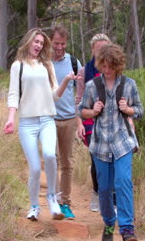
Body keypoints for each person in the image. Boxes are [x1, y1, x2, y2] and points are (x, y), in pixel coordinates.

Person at [4, 28, 80, 221]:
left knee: (49, 155)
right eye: (35, 41)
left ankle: (52, 198)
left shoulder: (47, 66)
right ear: (28, 42)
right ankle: (34, 207)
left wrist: (65, 81)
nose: (38, 45)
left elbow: (55, 94)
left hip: (47, 119)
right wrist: (11, 118)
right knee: (36, 168)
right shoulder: (17, 66)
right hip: (27, 123)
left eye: (40, 42)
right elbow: (13, 94)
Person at [78, 44, 143, 241]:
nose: (107, 70)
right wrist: (93, 111)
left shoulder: (129, 84)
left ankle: (126, 229)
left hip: (123, 143)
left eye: (111, 66)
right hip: (100, 145)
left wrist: (128, 109)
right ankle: (108, 223)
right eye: (104, 66)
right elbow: (82, 110)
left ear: (118, 65)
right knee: (104, 188)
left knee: (123, 182)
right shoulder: (92, 86)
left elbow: (140, 110)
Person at [50, 25, 83, 220]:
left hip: (69, 119)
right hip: (49, 119)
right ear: (50, 42)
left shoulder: (73, 62)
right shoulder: (44, 62)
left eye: (62, 44)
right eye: (56, 43)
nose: (59, 47)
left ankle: (66, 203)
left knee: (67, 163)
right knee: (51, 159)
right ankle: (54, 200)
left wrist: (79, 118)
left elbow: (81, 90)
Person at [76, 33, 111, 212]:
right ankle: (97, 193)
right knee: (96, 159)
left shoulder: (114, 69)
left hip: (111, 122)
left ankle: (110, 197)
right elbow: (79, 101)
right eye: (98, 49)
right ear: (92, 50)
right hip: (90, 121)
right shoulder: (84, 72)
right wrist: (79, 123)